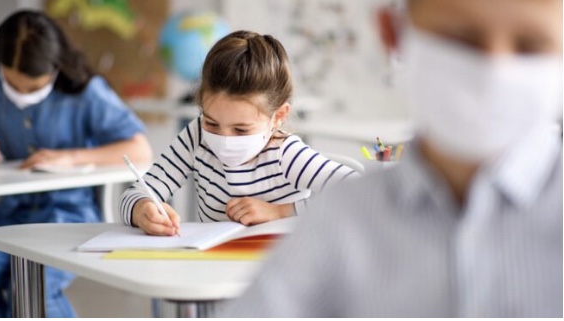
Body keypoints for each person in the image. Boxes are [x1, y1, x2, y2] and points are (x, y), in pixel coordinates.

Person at [221, 0, 562, 317]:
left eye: (531, 46)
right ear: (393, 34)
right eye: (461, 39)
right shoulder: (339, 220)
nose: (493, 70)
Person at [0, 10, 152, 318]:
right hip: (11, 214)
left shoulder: (86, 91)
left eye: (33, 88)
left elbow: (140, 150)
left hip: (69, 214)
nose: (21, 95)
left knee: (34, 290)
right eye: (13, 85)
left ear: (55, 68)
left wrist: (72, 157)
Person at [119, 30, 359, 235]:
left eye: (241, 130)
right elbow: (138, 191)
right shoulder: (196, 136)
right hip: (215, 271)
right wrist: (142, 209)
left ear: (278, 117)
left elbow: (358, 193)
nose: (223, 139)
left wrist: (281, 211)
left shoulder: (285, 154)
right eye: (212, 123)